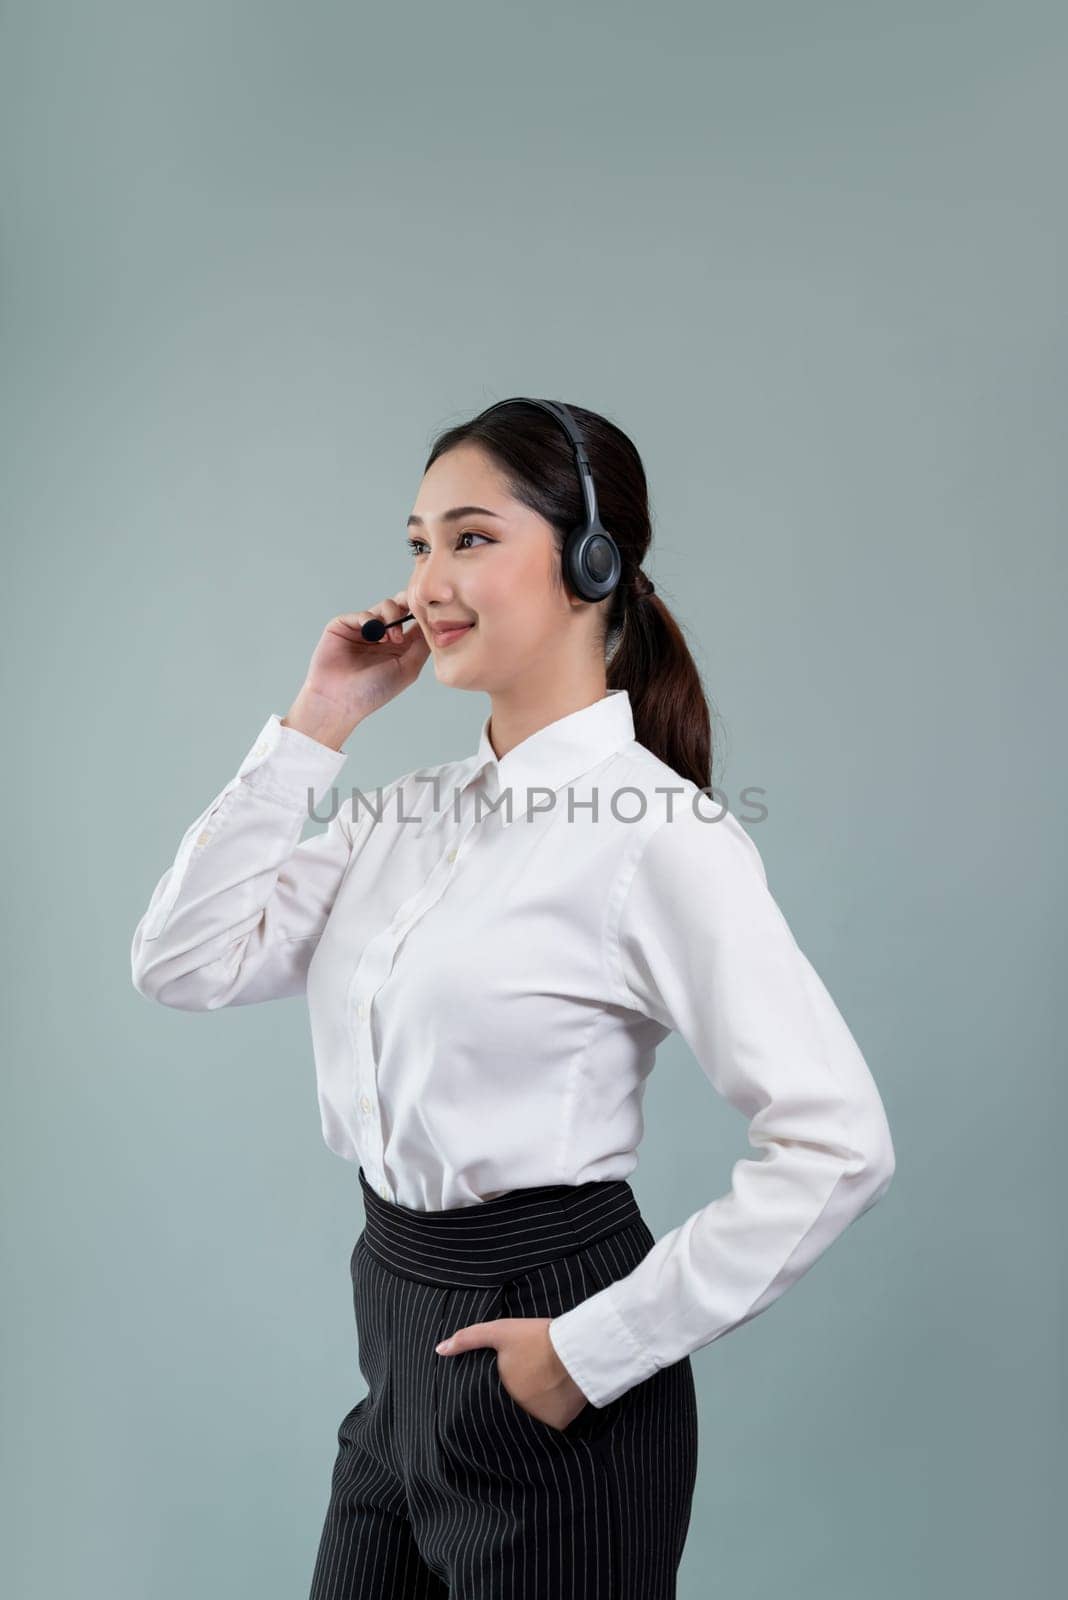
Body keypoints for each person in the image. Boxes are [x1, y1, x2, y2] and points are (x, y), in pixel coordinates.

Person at [131, 397, 896, 1599]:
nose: (429, 579)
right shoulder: (399, 814)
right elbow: (185, 961)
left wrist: (589, 1354)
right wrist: (319, 721)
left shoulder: (659, 836)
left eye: (472, 539)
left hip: (550, 1367)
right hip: (394, 1340)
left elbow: (838, 1143)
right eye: (418, 542)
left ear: (592, 565)